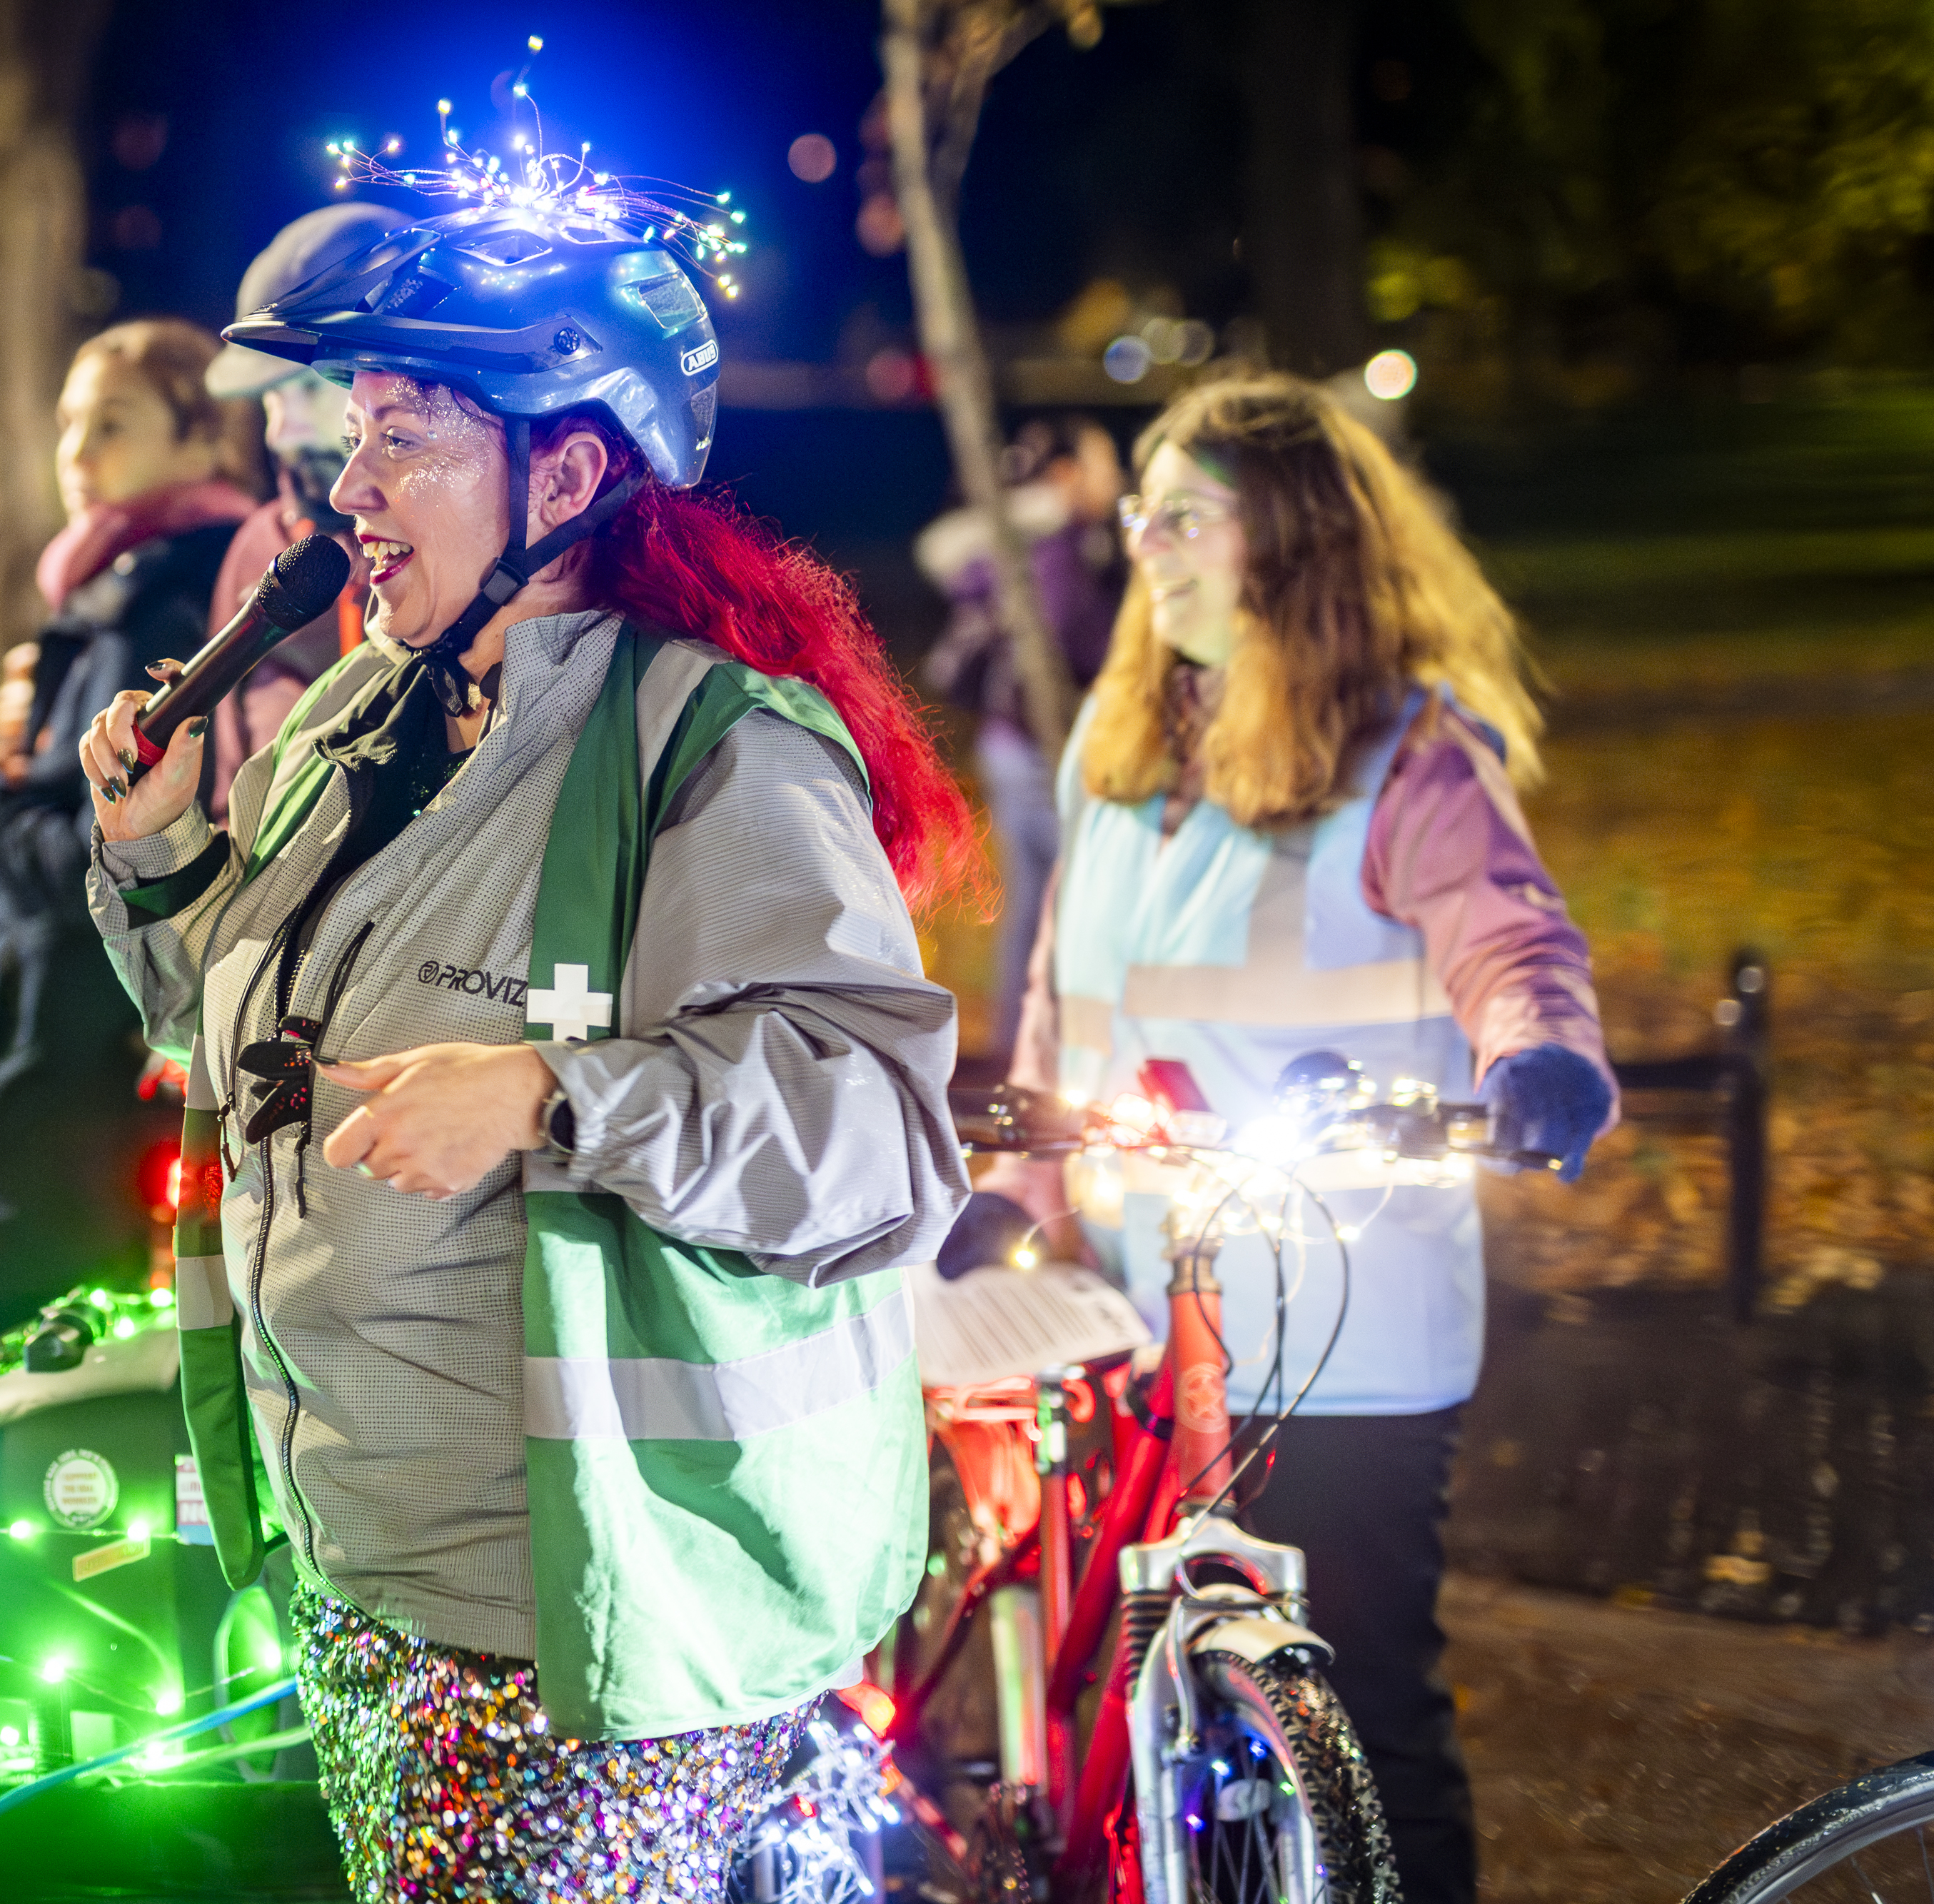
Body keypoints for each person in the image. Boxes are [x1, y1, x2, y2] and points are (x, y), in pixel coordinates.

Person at [78, 198, 974, 1899]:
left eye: (404, 438)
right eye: (352, 437)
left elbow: (880, 1135)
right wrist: (164, 852)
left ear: (563, 480)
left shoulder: (712, 749)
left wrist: (553, 1096)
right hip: (360, 1574)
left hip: (580, 1640)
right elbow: (258, 1052)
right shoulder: (360, 717)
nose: (347, 490)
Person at [989, 374, 1618, 1904]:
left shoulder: (1406, 756)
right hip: (1149, 1320)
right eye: (1141, 511)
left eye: (1186, 513)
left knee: (1371, 1726)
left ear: (1291, 538)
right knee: (1132, 1711)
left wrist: (1540, 1057)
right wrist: (1018, 1183)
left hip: (1347, 1338)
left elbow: (1508, 938)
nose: (1148, 543)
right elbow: (1060, 1000)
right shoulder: (1110, 747)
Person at [0, 317, 260, 1346]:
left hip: (76, 1034)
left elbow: (91, 842)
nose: (77, 453)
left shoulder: (154, 599)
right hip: (97, 1024)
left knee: (2, 1328)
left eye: (112, 424)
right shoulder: (140, 581)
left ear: (206, 439)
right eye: (70, 424)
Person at [920, 415, 1126, 1062]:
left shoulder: (1004, 543)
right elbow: (1076, 642)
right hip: (1042, 750)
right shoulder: (1060, 551)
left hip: (1004, 743)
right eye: (1102, 462)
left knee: (1032, 901)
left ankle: (1017, 1044)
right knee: (1080, 896)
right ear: (1066, 475)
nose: (1115, 478)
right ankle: (1066, 1049)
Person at [198, 203, 411, 815]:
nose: (285, 429)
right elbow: (229, 770)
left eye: (312, 388)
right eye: (269, 396)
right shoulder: (261, 545)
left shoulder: (445, 547)